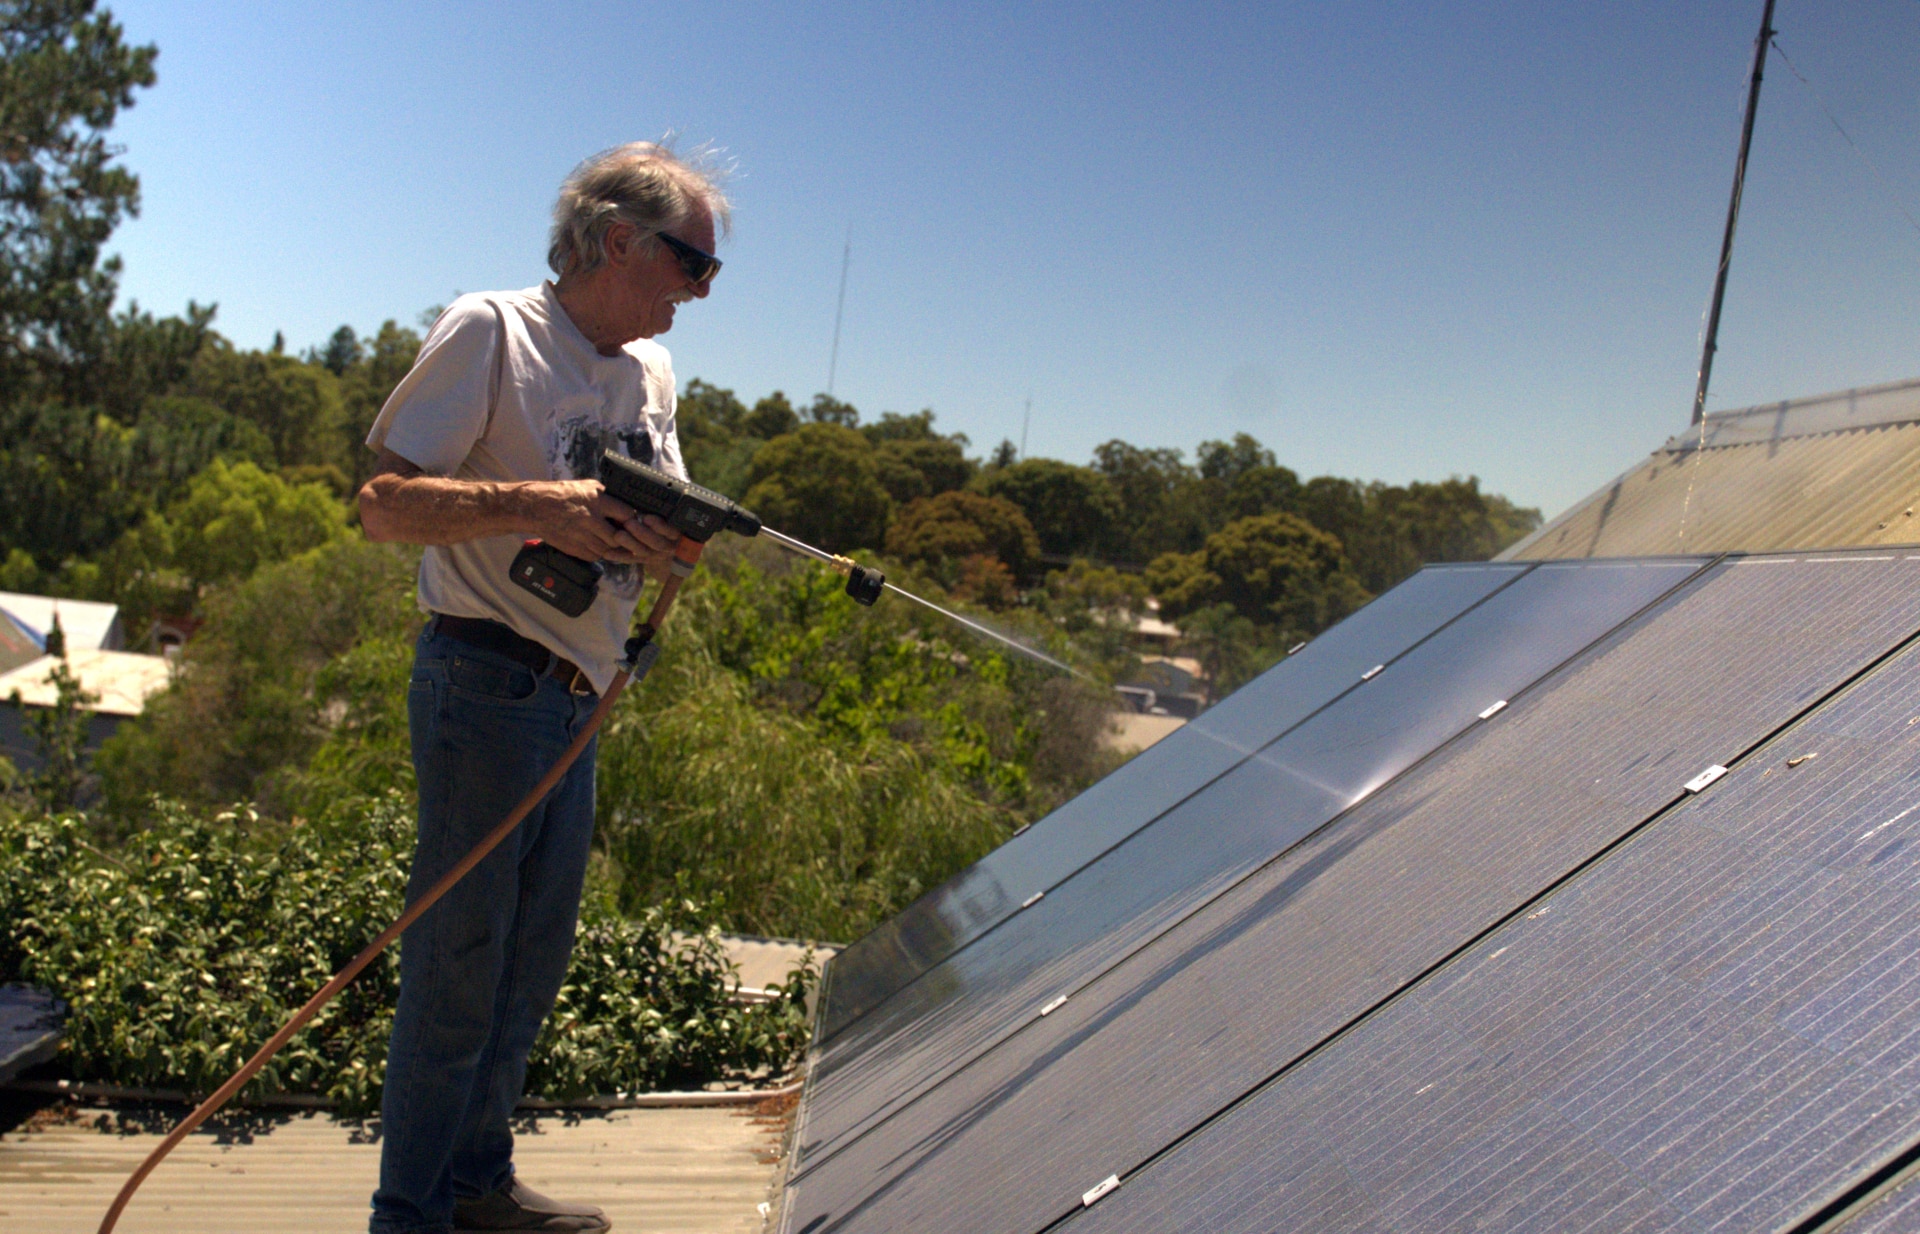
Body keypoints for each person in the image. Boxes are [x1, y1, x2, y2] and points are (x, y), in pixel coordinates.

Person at [356, 141, 728, 1234]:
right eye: (692, 263)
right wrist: (545, 507)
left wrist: (670, 541)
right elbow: (383, 503)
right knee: (458, 966)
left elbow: (644, 501)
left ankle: (476, 1188)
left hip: (579, 696)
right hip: (486, 681)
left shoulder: (649, 374)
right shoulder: (492, 330)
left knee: (526, 968)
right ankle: (410, 1214)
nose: (700, 290)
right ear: (620, 240)